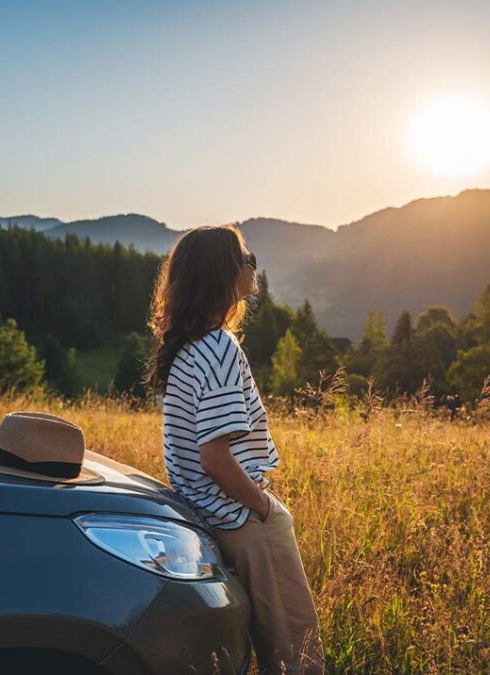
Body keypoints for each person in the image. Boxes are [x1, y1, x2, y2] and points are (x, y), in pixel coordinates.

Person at [145, 225, 325, 675]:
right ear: (223, 272)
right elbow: (215, 456)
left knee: (260, 646)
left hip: (206, 515)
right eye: (247, 258)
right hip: (243, 519)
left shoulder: (187, 348)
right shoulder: (219, 348)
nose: (253, 266)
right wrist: (263, 507)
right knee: (295, 652)